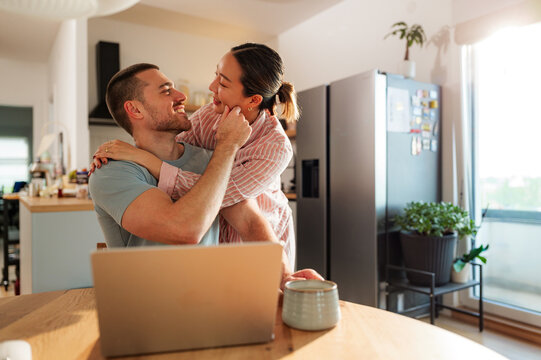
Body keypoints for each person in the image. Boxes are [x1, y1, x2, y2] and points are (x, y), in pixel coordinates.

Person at [89, 62, 321, 288]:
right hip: (145, 309)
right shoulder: (111, 171)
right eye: (166, 91)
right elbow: (184, 229)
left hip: (209, 302)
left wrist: (285, 276)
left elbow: (250, 223)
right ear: (135, 109)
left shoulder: (210, 160)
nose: (181, 96)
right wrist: (228, 144)